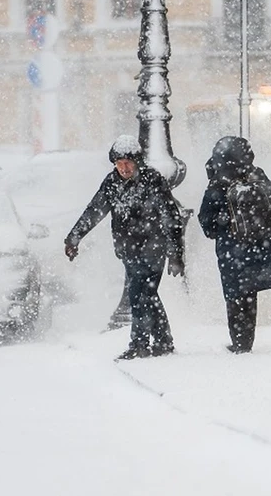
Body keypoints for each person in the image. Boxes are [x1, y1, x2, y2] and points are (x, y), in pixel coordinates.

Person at [64, 135, 185, 360]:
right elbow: (95, 210)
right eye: (119, 163)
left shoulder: (152, 180)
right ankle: (163, 342)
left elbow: (171, 217)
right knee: (147, 294)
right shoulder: (112, 182)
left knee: (139, 295)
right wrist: (74, 238)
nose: (124, 168)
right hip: (128, 250)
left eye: (127, 162)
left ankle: (139, 345)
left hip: (153, 248)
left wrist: (175, 254)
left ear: (137, 161)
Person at [198, 136, 271, 354]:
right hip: (260, 248)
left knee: (234, 297)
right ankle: (246, 341)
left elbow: (206, 221)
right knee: (250, 296)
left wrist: (219, 223)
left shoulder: (219, 182)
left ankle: (239, 342)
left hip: (231, 249)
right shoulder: (257, 176)